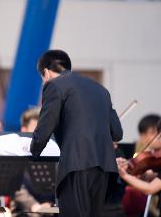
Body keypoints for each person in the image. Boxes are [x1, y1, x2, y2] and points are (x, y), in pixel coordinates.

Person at [30, 50, 123, 217]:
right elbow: (117, 133)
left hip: (76, 165)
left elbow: (44, 128)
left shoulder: (54, 85)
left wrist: (32, 152)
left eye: (42, 78)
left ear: (45, 72)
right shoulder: (101, 89)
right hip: (104, 168)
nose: (43, 82)